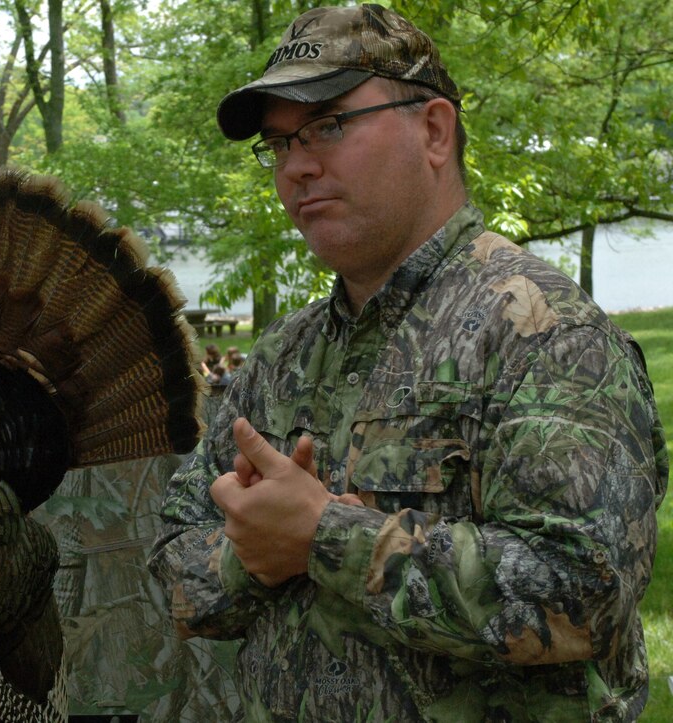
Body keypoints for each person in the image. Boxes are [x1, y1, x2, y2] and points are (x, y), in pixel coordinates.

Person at [148, 4, 668, 721]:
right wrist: (255, 553)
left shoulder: (544, 333)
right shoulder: (280, 359)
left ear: (433, 130)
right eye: (278, 145)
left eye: (328, 125)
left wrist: (325, 538)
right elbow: (172, 568)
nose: (297, 165)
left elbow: (585, 592)